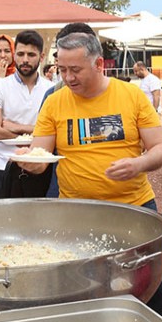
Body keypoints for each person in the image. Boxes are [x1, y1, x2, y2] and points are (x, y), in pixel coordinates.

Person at [15, 32, 162, 322]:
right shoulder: (55, 102)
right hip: (77, 213)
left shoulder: (130, 96)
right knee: (81, 289)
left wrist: (139, 163)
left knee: (156, 288)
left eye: (75, 70)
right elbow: (41, 158)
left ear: (99, 63)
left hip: (133, 207)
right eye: (62, 69)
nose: (67, 78)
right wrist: (29, 161)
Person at [0, 30, 54, 198]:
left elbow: (56, 131)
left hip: (41, 165)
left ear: (42, 56)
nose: (25, 60)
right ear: (14, 55)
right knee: (4, 220)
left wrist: (16, 127)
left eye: (31, 54)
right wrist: (39, 134)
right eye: (20, 54)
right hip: (3, 164)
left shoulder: (51, 90)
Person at [41, 22, 98, 198]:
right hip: (63, 192)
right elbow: (43, 148)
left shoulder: (126, 95)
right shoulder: (53, 96)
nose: (69, 77)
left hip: (123, 199)